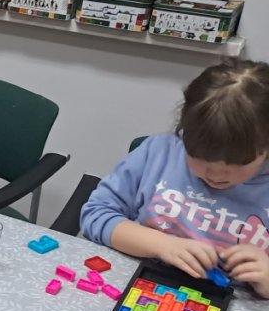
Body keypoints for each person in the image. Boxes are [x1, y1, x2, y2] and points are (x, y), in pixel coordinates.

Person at [81, 59, 269, 298]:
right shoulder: (159, 153)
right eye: (198, 157)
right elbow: (95, 215)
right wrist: (163, 245)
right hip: (141, 288)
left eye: (238, 164)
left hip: (231, 304)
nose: (215, 175)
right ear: (184, 131)